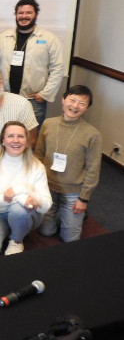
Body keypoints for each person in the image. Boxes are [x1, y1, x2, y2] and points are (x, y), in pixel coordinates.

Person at [36, 85, 102, 242]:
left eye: (82, 103)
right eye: (72, 100)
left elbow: (93, 169)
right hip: (48, 187)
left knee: (70, 239)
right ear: (63, 99)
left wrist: (83, 199)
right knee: (46, 232)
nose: (75, 106)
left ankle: (73, 214)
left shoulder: (92, 134)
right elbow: (38, 155)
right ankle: (61, 214)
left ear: (87, 108)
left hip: (73, 192)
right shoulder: (48, 124)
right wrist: (38, 184)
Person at [0, 121, 52, 257]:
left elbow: (46, 206)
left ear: (27, 141)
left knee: (18, 210)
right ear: (2, 140)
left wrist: (20, 190)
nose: (16, 140)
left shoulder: (37, 166)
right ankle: (11, 228)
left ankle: (16, 239)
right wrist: (23, 198)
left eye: (21, 136)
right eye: (10, 136)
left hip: (25, 213)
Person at [0, 0, 65, 127]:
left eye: (28, 13)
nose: (24, 16)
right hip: (5, 97)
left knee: (31, 137)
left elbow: (58, 68)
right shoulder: (2, 38)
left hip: (33, 100)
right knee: (3, 133)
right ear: (16, 15)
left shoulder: (49, 39)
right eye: (20, 13)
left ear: (36, 15)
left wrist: (45, 94)